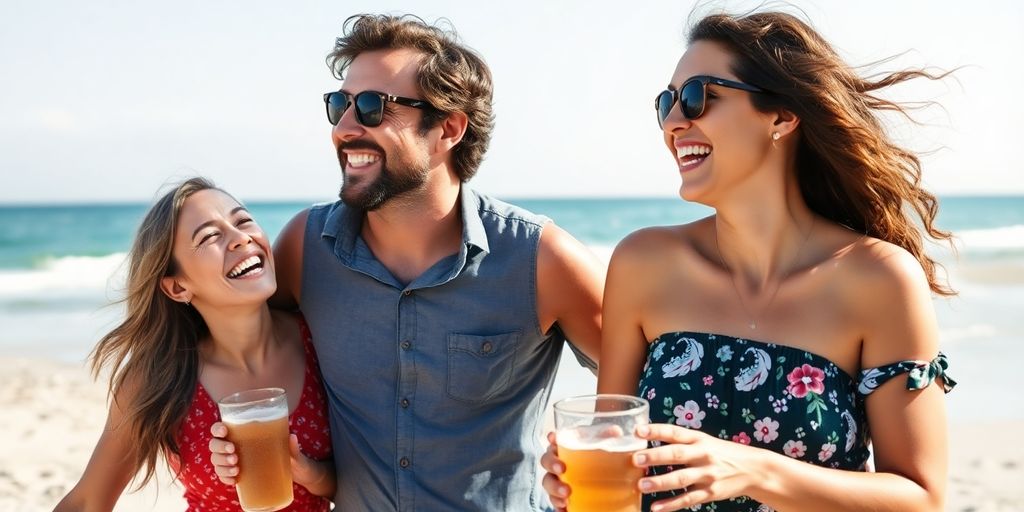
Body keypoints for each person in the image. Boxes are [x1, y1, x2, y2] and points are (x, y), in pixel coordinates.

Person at [541, 10, 956, 512]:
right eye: (666, 104)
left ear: (781, 115)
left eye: (697, 96)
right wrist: (576, 488)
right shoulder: (643, 262)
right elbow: (618, 462)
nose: (675, 122)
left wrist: (754, 470)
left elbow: (921, 498)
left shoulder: (878, 278)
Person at [208, 14, 605, 512]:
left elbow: (641, 387)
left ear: (449, 128)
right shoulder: (304, 248)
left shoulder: (542, 259)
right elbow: (243, 341)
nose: (345, 128)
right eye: (340, 105)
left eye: (373, 107)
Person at [56, 178, 335, 511]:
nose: (241, 238)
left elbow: (367, 478)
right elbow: (88, 501)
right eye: (210, 236)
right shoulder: (160, 376)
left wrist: (311, 474)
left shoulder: (320, 340)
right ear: (177, 288)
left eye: (243, 221)